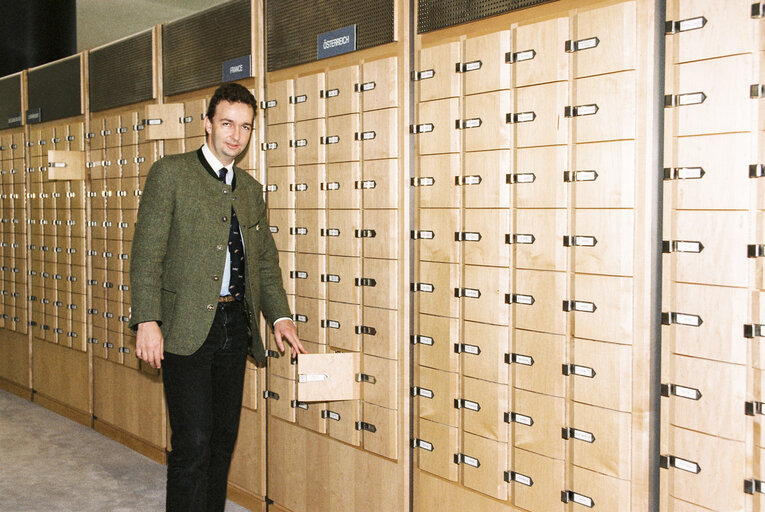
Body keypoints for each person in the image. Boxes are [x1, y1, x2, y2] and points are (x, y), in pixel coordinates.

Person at [129, 82, 306, 512]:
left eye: (245, 127)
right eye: (227, 123)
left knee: (223, 440)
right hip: (186, 327)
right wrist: (147, 320)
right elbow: (146, 253)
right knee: (193, 442)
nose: (235, 135)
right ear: (207, 124)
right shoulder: (169, 173)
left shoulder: (249, 189)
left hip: (234, 326)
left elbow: (264, 260)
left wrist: (279, 317)